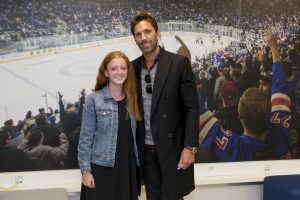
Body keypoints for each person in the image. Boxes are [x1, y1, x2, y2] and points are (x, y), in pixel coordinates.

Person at [130, 13, 199, 200]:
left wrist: (189, 147)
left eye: (147, 31)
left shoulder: (178, 64)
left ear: (157, 34)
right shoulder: (132, 68)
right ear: (135, 39)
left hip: (173, 149)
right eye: (138, 34)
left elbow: (191, 108)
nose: (143, 38)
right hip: (146, 151)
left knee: (174, 197)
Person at [199, 26, 292, 162]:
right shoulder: (281, 132)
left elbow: (194, 110)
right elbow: (280, 86)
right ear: (271, 115)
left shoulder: (234, 148)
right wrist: (274, 48)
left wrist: (273, 47)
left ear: (240, 115)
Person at [77, 51, 142, 200]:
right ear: (106, 72)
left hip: (126, 168)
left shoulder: (133, 99)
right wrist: (85, 171)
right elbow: (85, 139)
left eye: (123, 68)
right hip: (101, 169)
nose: (119, 72)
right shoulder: (94, 100)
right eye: (114, 69)